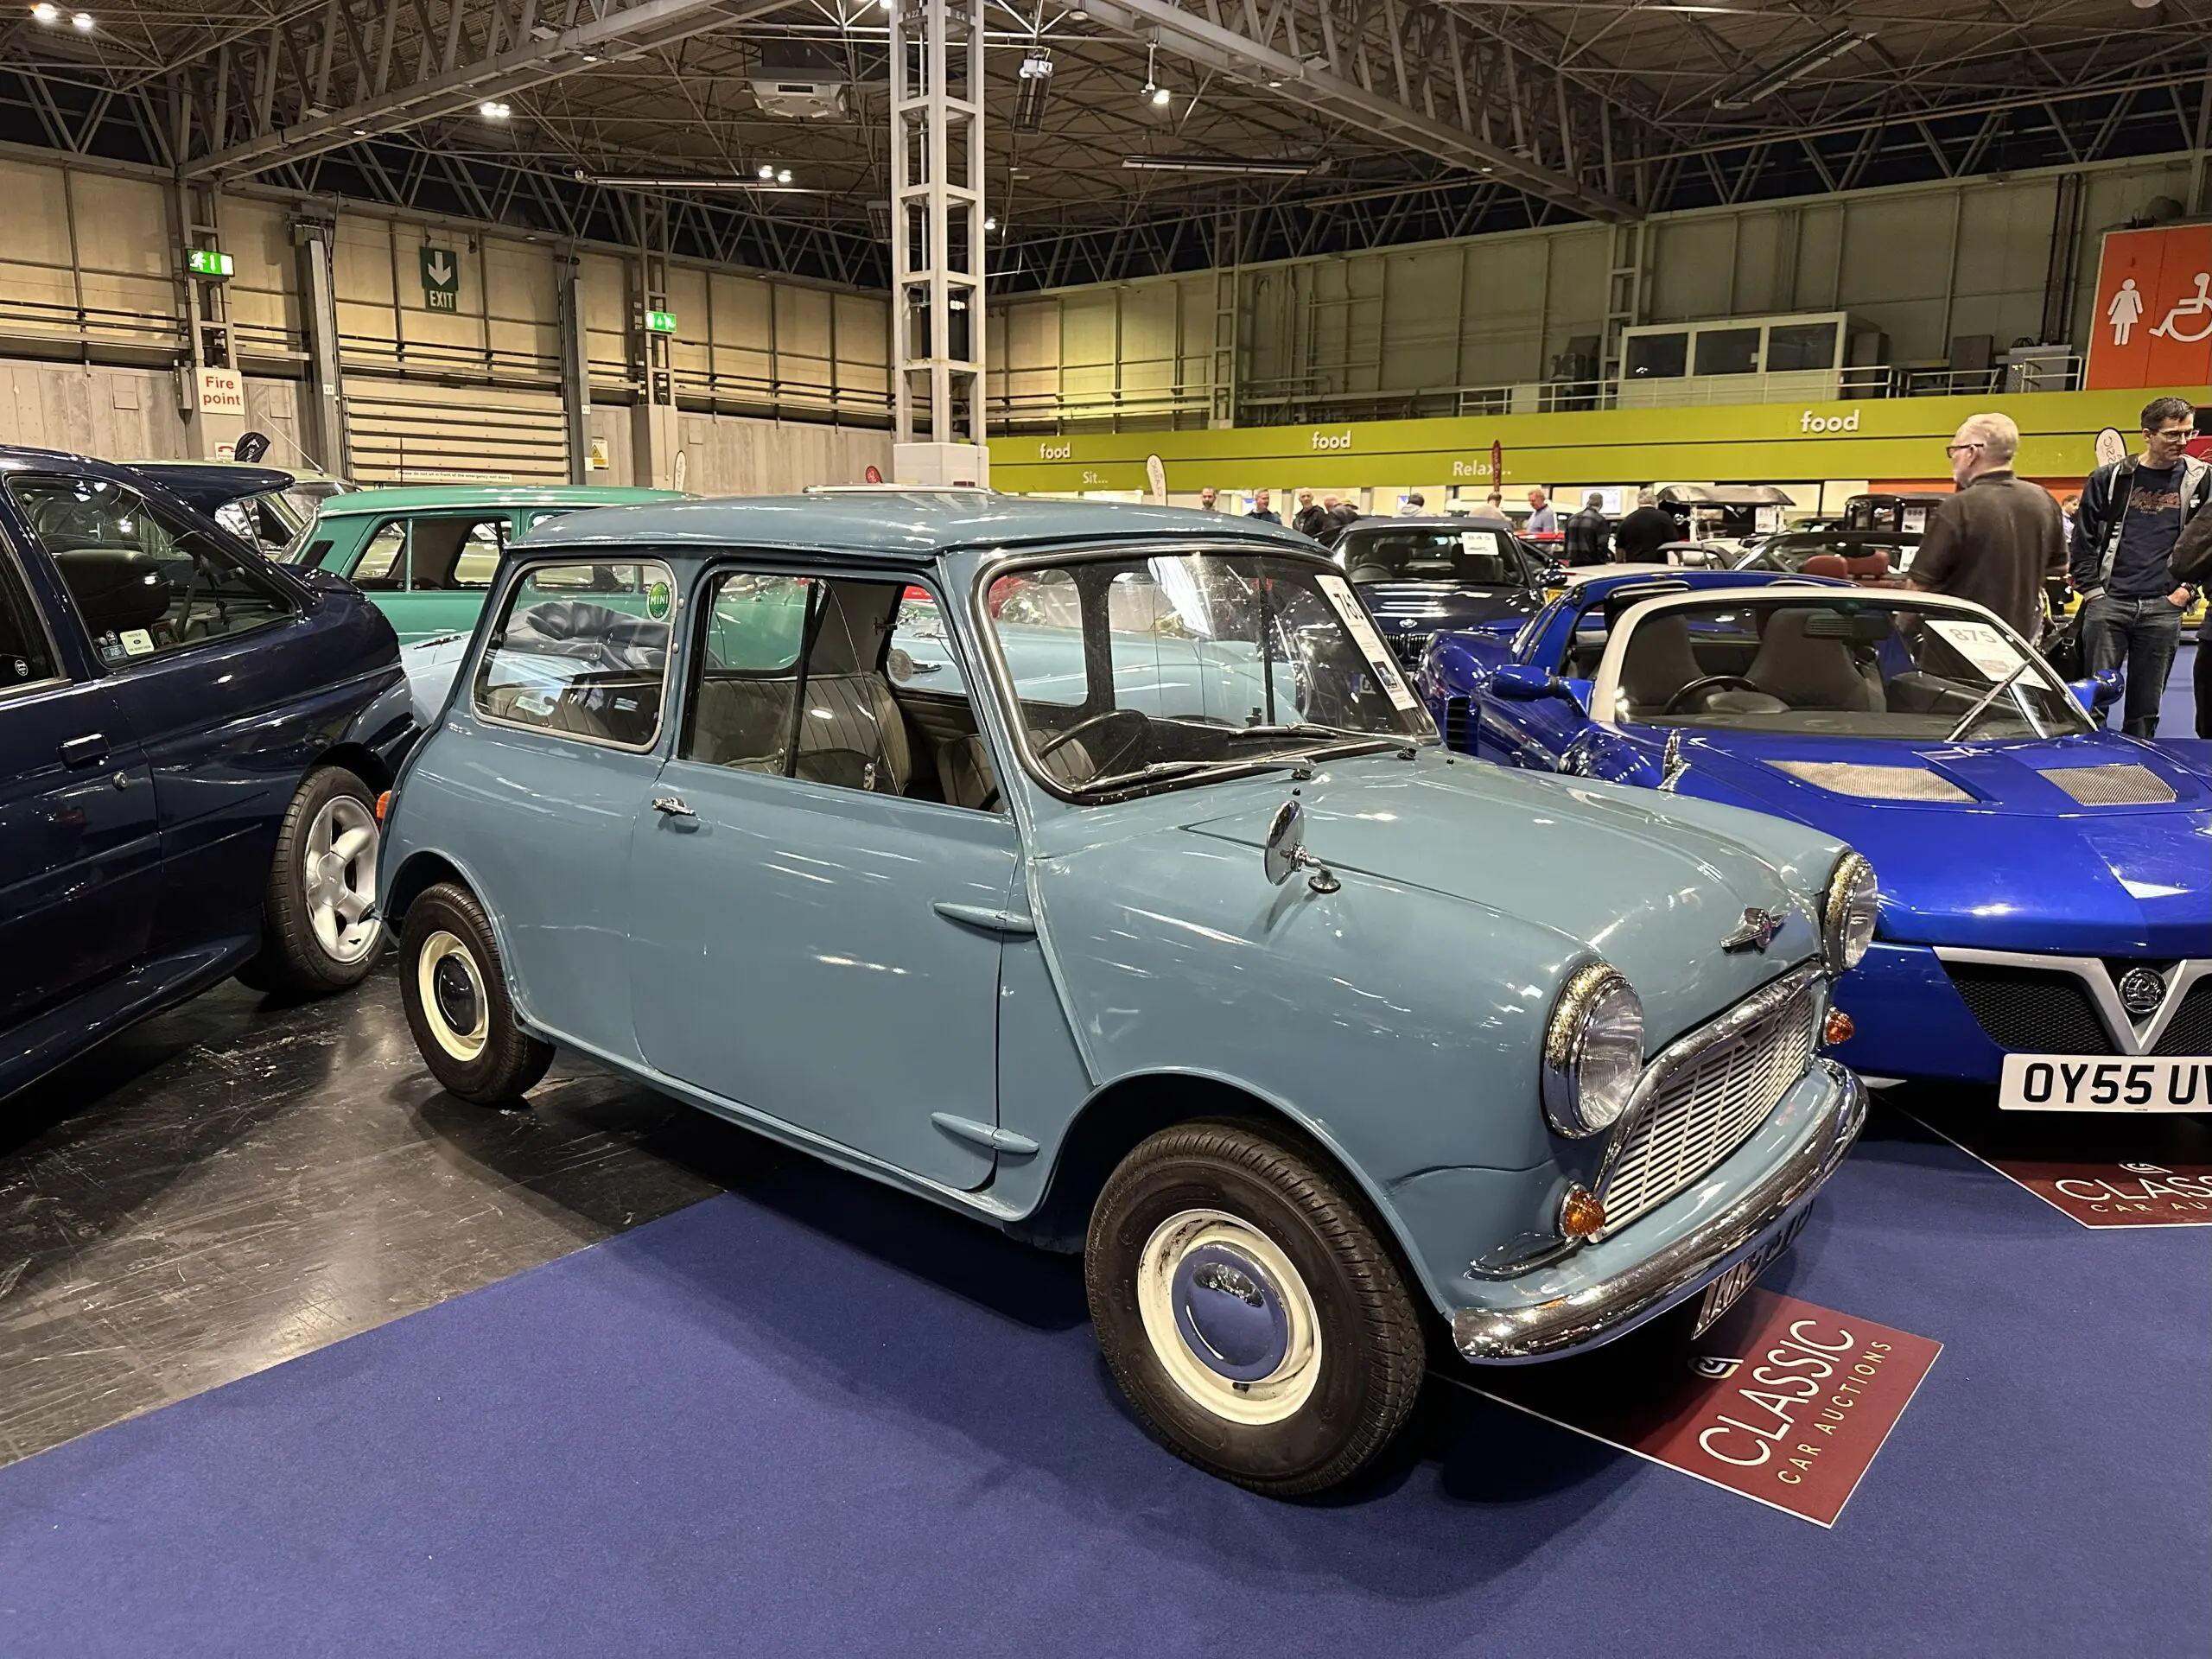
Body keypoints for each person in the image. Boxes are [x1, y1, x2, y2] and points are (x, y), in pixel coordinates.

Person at [2069, 395, 2210, 738]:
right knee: (2093, 704)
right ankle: (2084, 769)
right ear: (2147, 434)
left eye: (2188, 433)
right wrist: (2093, 591)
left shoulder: (2202, 479)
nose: (2183, 442)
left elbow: (2208, 545)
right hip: (2109, 604)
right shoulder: (2110, 478)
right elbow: (2083, 538)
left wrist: (2184, 592)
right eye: (2173, 434)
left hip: (2164, 607)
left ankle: (2140, 775)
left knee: (2146, 709)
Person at [1908, 411, 2066, 643]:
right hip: (2018, 645)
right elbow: (2060, 566)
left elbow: (1918, 586)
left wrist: (1897, 637)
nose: (1952, 458)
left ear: (1972, 452)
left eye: (1954, 450)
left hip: (1955, 649)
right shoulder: (2043, 500)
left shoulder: (1959, 507)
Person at [1612, 489, 1675, 562]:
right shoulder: (1664, 517)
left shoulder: (1628, 519)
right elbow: (1673, 542)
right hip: (1658, 565)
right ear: (1655, 501)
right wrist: (1680, 560)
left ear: (1638, 501)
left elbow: (1619, 548)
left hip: (1634, 566)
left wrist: (1619, 563)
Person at [1563, 492, 1611, 567]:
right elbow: (1602, 545)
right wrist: (1603, 561)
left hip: (1573, 562)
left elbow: (1566, 542)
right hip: (1591, 564)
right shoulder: (1599, 520)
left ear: (1588, 503)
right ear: (1600, 505)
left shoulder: (1572, 518)